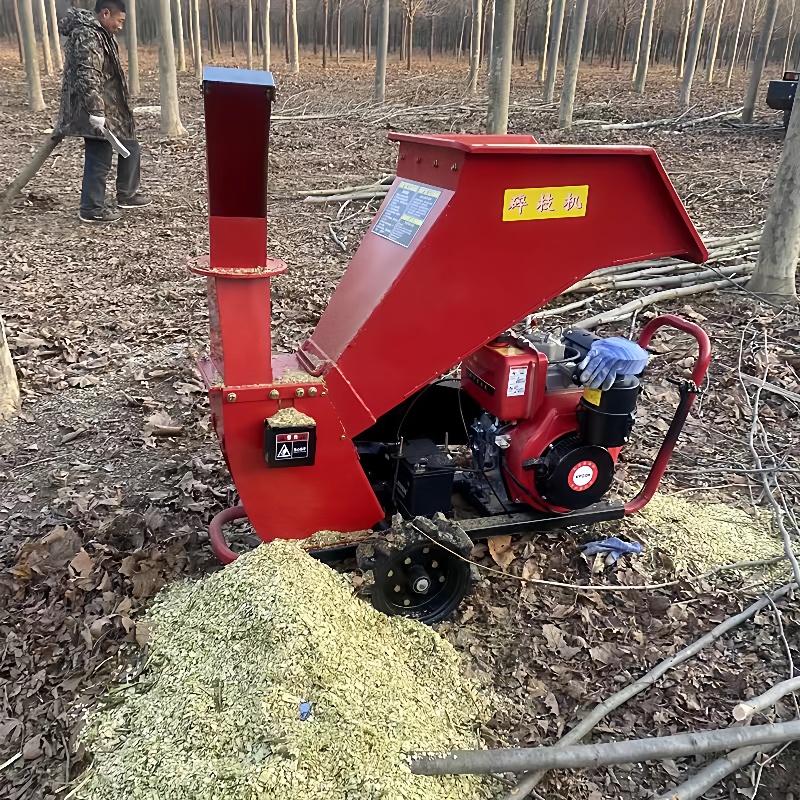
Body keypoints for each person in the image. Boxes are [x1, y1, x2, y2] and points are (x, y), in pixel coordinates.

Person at [56, 0, 150, 223]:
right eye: (120, 20)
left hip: (110, 105)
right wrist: (95, 110)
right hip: (91, 107)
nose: (120, 26)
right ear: (106, 13)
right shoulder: (87, 35)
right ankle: (91, 208)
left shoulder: (102, 33)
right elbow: (88, 75)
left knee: (130, 144)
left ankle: (126, 194)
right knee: (100, 155)